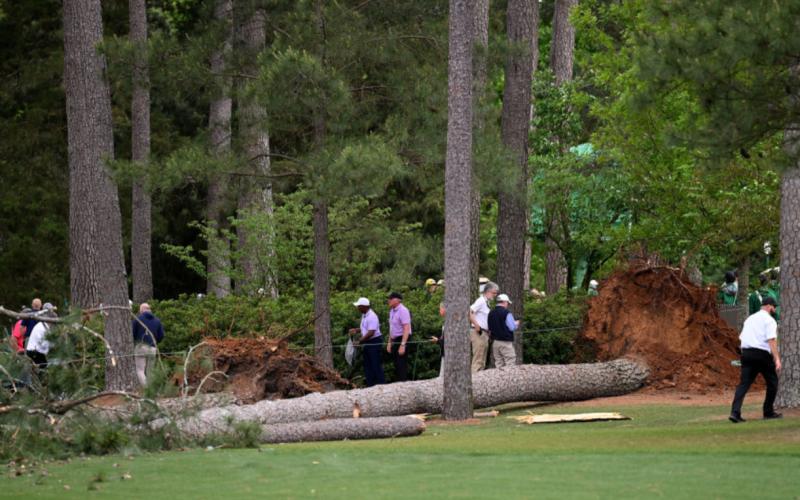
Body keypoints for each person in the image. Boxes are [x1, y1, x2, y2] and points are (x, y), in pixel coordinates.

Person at [729, 296, 782, 423]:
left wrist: (745, 354)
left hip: (746, 353)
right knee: (773, 383)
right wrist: (777, 359)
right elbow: (771, 340)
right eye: (774, 307)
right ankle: (768, 411)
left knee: (743, 384)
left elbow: (742, 338)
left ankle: (735, 413)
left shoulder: (750, 319)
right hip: (762, 354)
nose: (774, 310)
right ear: (769, 306)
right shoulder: (769, 320)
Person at [348, 297, 385, 387]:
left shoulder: (372, 316)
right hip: (368, 342)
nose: (357, 308)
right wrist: (356, 330)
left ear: (364, 306)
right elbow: (364, 328)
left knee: (375, 364)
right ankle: (371, 385)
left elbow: (371, 332)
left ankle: (381, 385)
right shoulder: (364, 315)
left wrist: (359, 341)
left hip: (374, 342)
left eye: (359, 306)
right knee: (368, 365)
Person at [132, 303, 165, 386]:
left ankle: (146, 389)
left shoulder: (137, 319)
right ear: (149, 309)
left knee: (140, 370)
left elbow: (132, 333)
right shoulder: (157, 320)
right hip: (153, 348)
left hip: (141, 346)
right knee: (150, 370)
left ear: (142, 310)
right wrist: (155, 342)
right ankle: (151, 389)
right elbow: (161, 335)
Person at [469, 281, 498, 372]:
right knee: (478, 359)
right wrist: (477, 325)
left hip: (484, 333)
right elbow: (470, 311)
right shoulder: (481, 300)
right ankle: (474, 380)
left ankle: (479, 381)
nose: (495, 295)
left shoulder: (486, 302)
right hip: (478, 332)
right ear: (488, 292)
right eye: (494, 293)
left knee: (482, 360)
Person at [487, 294, 520, 368]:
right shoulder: (506, 313)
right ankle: (509, 379)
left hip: (495, 342)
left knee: (499, 363)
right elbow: (512, 327)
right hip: (505, 342)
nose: (508, 305)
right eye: (508, 303)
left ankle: (499, 379)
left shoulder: (490, 313)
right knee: (510, 362)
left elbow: (490, 328)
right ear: (504, 302)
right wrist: (516, 323)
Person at [386, 292, 412, 382]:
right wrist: (389, 342)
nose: (388, 300)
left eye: (391, 298)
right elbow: (391, 328)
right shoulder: (392, 311)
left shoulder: (403, 310)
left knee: (401, 363)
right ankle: (399, 383)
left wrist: (403, 345)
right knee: (396, 363)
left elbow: (406, 328)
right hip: (395, 338)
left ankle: (403, 384)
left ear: (398, 300)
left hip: (403, 338)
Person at [26, 303, 56, 368]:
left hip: (36, 352)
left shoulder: (43, 326)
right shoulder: (41, 328)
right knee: (48, 365)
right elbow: (44, 345)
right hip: (34, 353)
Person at [431, 302, 446, 377]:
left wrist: (437, 340)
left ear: (444, 309)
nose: (439, 311)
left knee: (443, 375)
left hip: (447, 354)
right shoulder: (446, 321)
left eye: (440, 309)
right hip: (445, 352)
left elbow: (447, 341)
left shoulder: (449, 322)